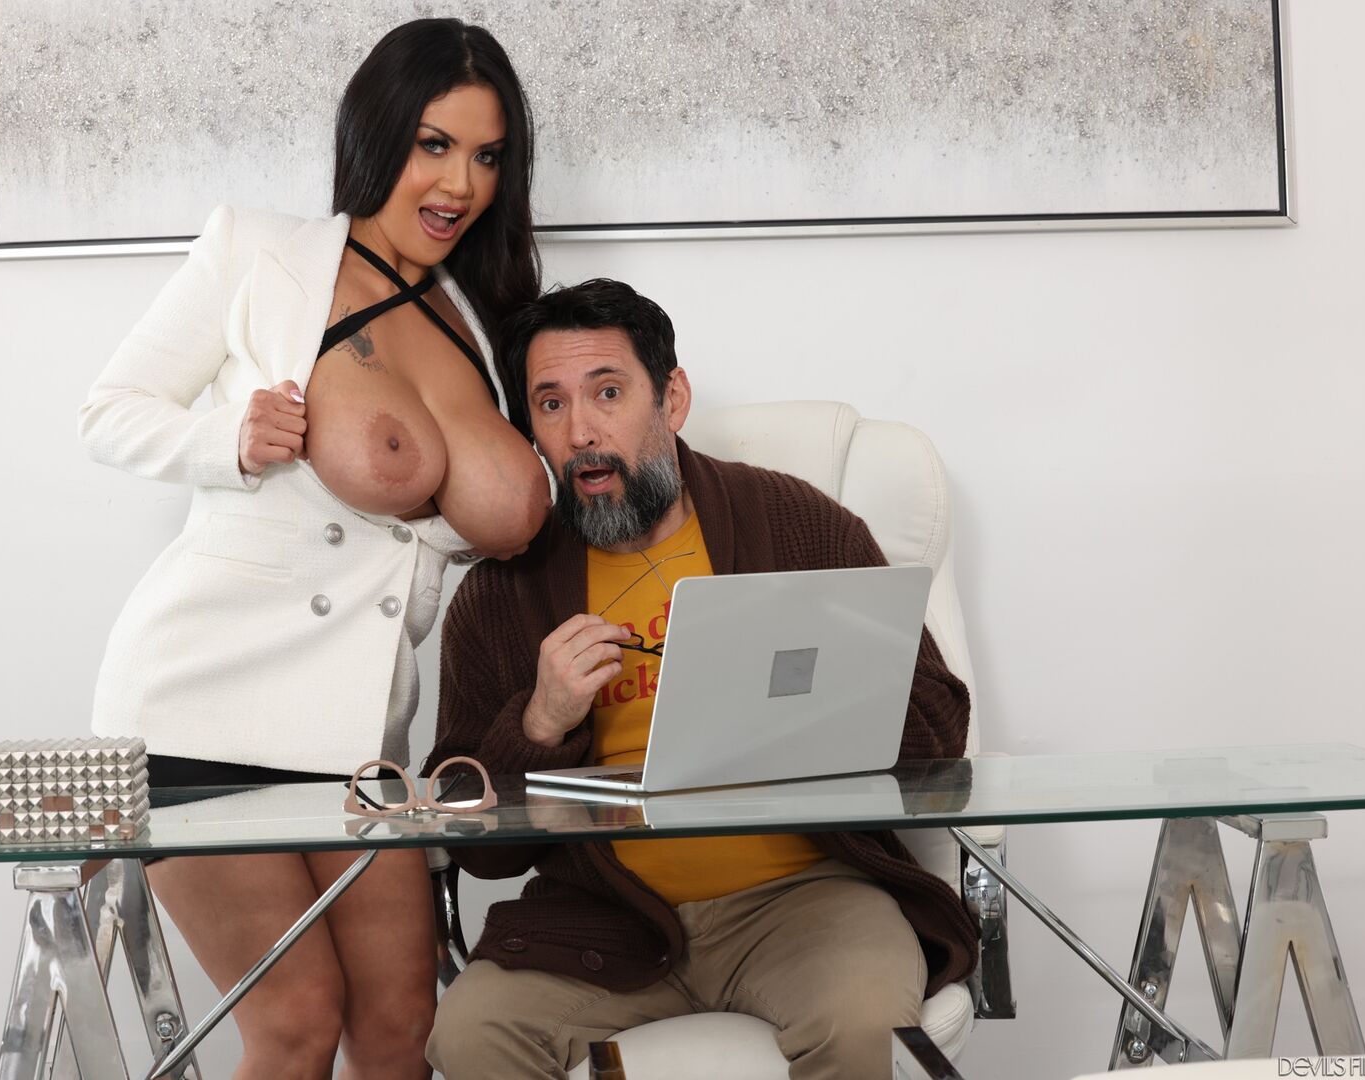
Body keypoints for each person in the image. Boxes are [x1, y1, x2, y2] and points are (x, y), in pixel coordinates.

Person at [78, 19, 547, 1079]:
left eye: (486, 156)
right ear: (379, 135)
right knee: (295, 1022)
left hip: (359, 730)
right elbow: (107, 411)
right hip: (203, 700)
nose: (459, 183)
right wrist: (229, 440)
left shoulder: (482, 321)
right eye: (433, 145)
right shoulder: (259, 253)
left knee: (402, 1027)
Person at [422, 279, 978, 1080]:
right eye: (550, 403)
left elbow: (939, 734)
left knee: (859, 1022)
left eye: (607, 392)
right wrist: (538, 723)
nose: (580, 431)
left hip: (804, 902)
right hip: (601, 921)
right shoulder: (502, 592)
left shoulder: (797, 524)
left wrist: (827, 689)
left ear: (671, 398)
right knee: (469, 1036)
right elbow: (468, 839)